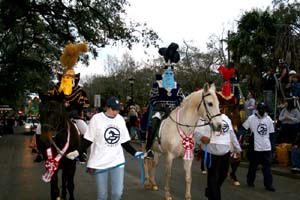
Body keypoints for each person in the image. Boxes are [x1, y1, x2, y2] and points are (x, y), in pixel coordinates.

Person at [67, 96, 143, 200]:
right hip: (100, 162)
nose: (116, 112)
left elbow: (124, 141)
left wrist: (135, 153)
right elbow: (88, 139)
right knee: (102, 195)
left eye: (118, 109)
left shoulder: (120, 119)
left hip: (117, 161)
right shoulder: (96, 119)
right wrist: (77, 152)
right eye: (114, 109)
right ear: (107, 107)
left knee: (117, 193)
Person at [145, 42, 185, 159]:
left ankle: (185, 146)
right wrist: (160, 106)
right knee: (154, 121)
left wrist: (177, 104)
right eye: (167, 73)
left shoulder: (177, 85)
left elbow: (181, 98)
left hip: (174, 110)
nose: (169, 74)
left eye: (171, 73)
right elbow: (152, 98)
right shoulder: (157, 84)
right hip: (160, 110)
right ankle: (149, 148)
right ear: (163, 73)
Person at [194, 106, 242, 200]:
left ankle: (210, 190)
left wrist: (237, 148)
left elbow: (231, 134)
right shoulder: (204, 117)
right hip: (211, 152)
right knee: (213, 178)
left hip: (225, 152)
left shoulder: (226, 118)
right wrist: (201, 137)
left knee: (223, 175)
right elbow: (196, 131)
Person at [242, 102, 276, 192]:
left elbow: (272, 134)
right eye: (260, 109)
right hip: (255, 147)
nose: (262, 111)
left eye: (263, 109)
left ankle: (269, 184)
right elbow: (244, 128)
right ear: (257, 109)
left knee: (267, 167)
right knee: (253, 165)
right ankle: (250, 181)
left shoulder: (268, 119)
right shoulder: (251, 118)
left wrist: (272, 147)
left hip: (266, 147)